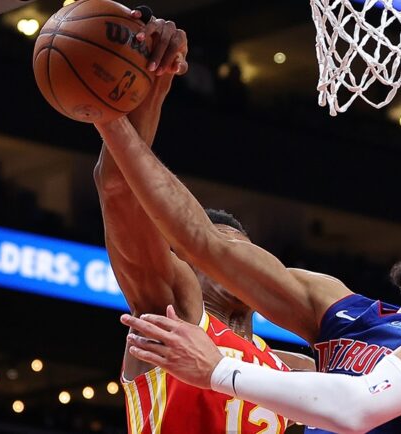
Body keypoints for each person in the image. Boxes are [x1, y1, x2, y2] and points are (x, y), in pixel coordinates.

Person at [94, 28, 401, 434]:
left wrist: (219, 370)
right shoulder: (342, 316)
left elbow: (356, 408)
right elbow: (201, 238)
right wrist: (118, 105)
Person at [94, 11, 311, 434]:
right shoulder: (172, 317)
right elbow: (119, 190)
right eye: (217, 249)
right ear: (184, 265)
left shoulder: (300, 367)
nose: (236, 259)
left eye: (242, 248)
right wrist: (148, 90)